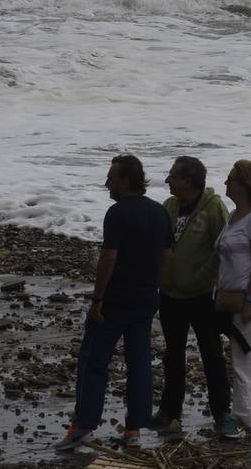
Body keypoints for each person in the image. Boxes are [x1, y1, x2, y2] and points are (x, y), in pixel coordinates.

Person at [55, 154, 173, 452]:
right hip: (146, 299)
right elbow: (167, 257)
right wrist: (156, 288)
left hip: (116, 301)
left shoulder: (117, 212)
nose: (107, 182)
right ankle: (134, 428)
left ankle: (83, 425)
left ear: (125, 180)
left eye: (111, 177)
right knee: (139, 364)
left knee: (93, 363)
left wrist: (97, 299)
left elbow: (109, 257)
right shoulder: (160, 212)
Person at [153, 156, 231, 437]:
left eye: (173, 175)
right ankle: (169, 411)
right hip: (170, 293)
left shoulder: (214, 207)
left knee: (211, 354)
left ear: (189, 180)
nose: (168, 180)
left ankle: (222, 413)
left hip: (201, 294)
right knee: (172, 355)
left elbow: (222, 249)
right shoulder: (169, 206)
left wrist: (203, 278)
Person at [215, 158, 251, 440]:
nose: (226, 183)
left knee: (243, 357)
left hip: (248, 297)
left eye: (230, 179)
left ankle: (241, 419)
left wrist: (250, 300)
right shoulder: (232, 217)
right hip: (232, 295)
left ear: (245, 185)